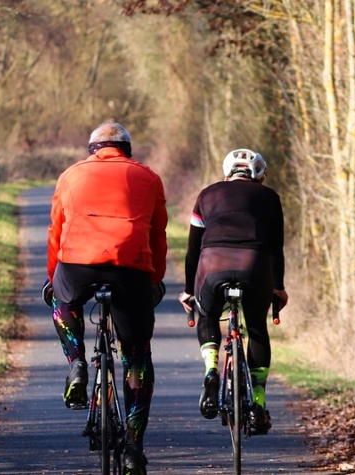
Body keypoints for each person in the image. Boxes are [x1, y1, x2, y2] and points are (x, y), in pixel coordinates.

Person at [43, 122, 167, 475]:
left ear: (92, 150)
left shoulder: (70, 175)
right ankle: (132, 447)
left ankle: (77, 363)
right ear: (126, 150)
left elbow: (56, 231)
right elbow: (158, 236)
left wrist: (55, 279)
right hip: (131, 269)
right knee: (137, 355)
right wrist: (154, 281)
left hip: (77, 265)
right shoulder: (149, 177)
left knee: (62, 302)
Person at [177, 148, 288, 436]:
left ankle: (212, 370)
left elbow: (193, 251)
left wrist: (189, 291)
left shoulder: (207, 195)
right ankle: (259, 404)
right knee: (257, 330)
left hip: (213, 264)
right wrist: (278, 287)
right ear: (259, 175)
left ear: (227, 172)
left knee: (208, 315)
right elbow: (276, 249)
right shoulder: (271, 197)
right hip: (255, 265)